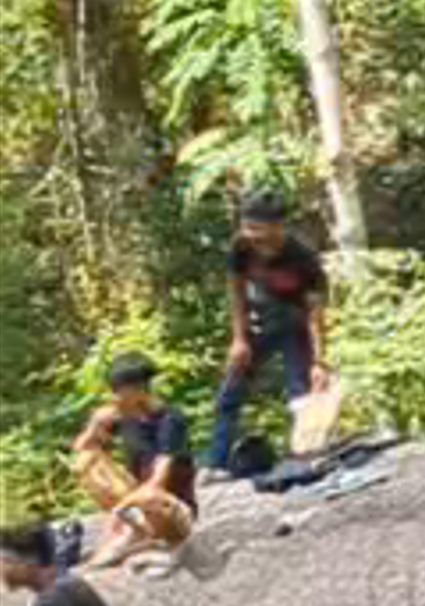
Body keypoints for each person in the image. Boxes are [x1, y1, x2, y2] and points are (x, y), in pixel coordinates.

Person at [207, 197, 331, 479]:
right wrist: (238, 339)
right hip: (258, 322)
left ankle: (306, 456)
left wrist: (319, 361)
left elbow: (315, 313)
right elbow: (236, 293)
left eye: (258, 229)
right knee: (231, 389)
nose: (252, 236)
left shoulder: (303, 258)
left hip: (295, 324)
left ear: (278, 228)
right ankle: (216, 462)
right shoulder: (241, 247)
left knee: (300, 392)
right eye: (247, 227)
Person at [70, 354, 195, 572]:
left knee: (149, 497)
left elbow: (158, 481)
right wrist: (94, 425)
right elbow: (80, 448)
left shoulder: (169, 420)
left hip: (170, 506)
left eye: (119, 390)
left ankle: (162, 541)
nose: (114, 396)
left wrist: (122, 510)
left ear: (138, 389)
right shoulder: (124, 417)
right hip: (138, 501)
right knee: (86, 460)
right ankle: (135, 532)